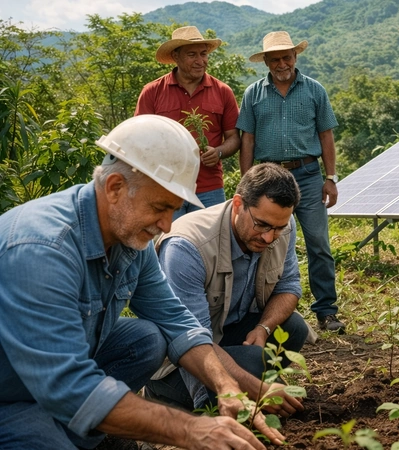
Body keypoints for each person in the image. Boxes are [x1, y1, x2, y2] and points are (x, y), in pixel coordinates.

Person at [0, 115, 284, 449]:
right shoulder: (43, 249)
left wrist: (226, 385)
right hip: (11, 392)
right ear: (115, 187)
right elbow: (67, 383)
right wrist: (191, 429)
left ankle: (83, 422)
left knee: (146, 338)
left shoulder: (131, 241)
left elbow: (177, 321)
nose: (167, 225)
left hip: (53, 374)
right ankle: (66, 425)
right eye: (160, 207)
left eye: (174, 209)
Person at [145, 163, 309, 414]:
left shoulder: (281, 225)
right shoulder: (187, 247)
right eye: (262, 225)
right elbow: (190, 338)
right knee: (254, 363)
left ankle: (249, 388)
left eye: (277, 228)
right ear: (237, 204)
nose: (269, 237)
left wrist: (262, 329)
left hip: (224, 333)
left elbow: (288, 285)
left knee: (294, 328)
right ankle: (169, 395)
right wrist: (254, 385)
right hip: (180, 358)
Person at [237, 31, 344, 333]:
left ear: (295, 57)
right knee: (265, 243)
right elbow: (248, 139)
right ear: (266, 62)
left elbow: (326, 135)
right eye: (275, 59)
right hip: (267, 177)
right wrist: (246, 183)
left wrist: (331, 178)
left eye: (286, 57)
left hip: (308, 175)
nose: (281, 63)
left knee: (318, 243)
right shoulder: (253, 94)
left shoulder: (314, 90)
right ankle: (265, 311)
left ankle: (326, 311)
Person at [136, 25, 241, 219]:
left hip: (209, 188)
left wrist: (218, 152)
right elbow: (139, 140)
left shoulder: (222, 91)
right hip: (165, 186)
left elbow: (234, 138)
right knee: (167, 244)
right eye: (192, 55)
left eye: (203, 54)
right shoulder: (152, 92)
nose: (200, 61)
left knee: (209, 246)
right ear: (176, 56)